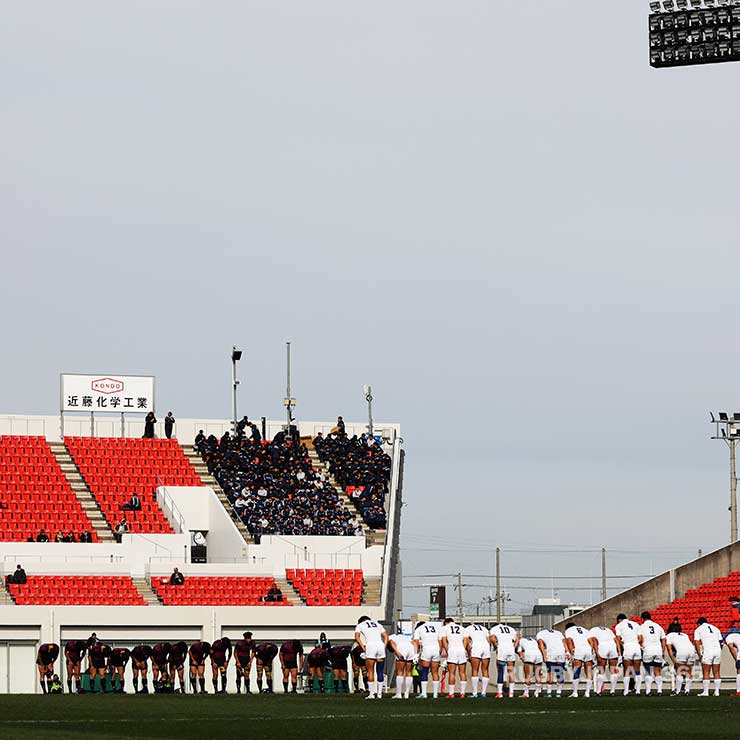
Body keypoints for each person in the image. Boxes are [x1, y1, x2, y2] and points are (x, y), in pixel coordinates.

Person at [355, 616, 388, 700]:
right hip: (380, 645)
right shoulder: (378, 624)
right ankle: (380, 694)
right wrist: (383, 646)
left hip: (370, 645)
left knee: (370, 671)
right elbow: (386, 636)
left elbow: (357, 637)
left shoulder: (360, 625)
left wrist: (363, 648)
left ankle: (372, 694)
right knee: (380, 671)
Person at [638, 611, 667, 696]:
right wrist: (662, 650)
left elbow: (640, 639)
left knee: (648, 671)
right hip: (658, 650)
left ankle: (648, 691)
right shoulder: (658, 626)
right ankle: (659, 691)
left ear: (642, 619)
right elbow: (664, 639)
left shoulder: (641, 627)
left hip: (648, 650)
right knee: (657, 671)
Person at [694, 616, 723, 697]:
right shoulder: (715, 628)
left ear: (699, 623)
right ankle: (717, 692)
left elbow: (696, 642)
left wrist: (699, 654)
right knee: (716, 672)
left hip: (708, 651)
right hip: (717, 650)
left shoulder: (698, 629)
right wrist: (719, 650)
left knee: (706, 671)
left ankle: (706, 692)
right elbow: (721, 642)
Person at [412, 619, 442, 699]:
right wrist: (440, 651)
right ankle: (435, 694)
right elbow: (440, 641)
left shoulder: (419, 629)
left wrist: (415, 654)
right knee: (435, 672)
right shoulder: (436, 628)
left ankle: (424, 693)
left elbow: (415, 641)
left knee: (424, 672)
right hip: (436, 650)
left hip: (426, 650)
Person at [615, 614, 643, 695]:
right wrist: (635, 643)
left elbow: (618, 640)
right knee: (637, 670)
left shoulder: (619, 625)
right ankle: (638, 691)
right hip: (637, 647)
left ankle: (626, 691)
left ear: (619, 620)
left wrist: (623, 645)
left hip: (628, 647)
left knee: (627, 670)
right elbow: (640, 638)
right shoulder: (636, 624)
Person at [440, 617, 468, 699]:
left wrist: (447, 650)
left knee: (452, 673)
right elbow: (466, 640)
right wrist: (464, 649)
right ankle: (462, 693)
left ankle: (451, 693)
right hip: (461, 649)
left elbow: (444, 640)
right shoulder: (462, 628)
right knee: (462, 672)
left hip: (452, 649)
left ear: (446, 623)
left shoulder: (444, 628)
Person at [535, 627, 568, 697]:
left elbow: (541, 644)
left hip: (551, 653)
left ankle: (549, 693)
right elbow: (564, 642)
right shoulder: (558, 632)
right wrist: (567, 652)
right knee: (560, 673)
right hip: (561, 652)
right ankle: (558, 693)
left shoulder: (540, 633)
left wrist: (544, 655)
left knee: (550, 673)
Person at [564, 623, 594, 698]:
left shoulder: (569, 630)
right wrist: (591, 650)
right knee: (589, 671)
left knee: (576, 670)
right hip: (588, 650)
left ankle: (575, 692)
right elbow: (591, 641)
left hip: (579, 650)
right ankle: (587, 693)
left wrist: (571, 652)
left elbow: (569, 641)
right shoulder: (585, 629)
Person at [489, 622, 519, 699]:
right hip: (510, 650)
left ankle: (500, 693)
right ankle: (511, 693)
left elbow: (492, 638)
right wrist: (513, 648)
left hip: (502, 649)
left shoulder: (494, 629)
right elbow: (517, 639)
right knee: (511, 671)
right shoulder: (511, 629)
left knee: (500, 671)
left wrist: (496, 647)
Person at [588, 625, 619, 696]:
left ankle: (598, 691)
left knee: (601, 670)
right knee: (613, 670)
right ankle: (612, 691)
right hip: (613, 647)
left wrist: (596, 653)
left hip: (603, 647)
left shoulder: (592, 630)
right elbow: (616, 641)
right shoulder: (608, 630)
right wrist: (619, 653)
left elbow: (594, 641)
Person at [666, 626, 696, 696]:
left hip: (682, 651)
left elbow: (669, 649)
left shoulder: (669, 635)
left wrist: (674, 661)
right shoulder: (685, 635)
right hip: (692, 650)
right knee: (689, 672)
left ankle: (678, 691)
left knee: (679, 672)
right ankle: (687, 690)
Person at [465, 622, 491, 698]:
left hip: (476, 647)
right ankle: (483, 693)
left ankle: (475, 693)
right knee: (485, 670)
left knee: (475, 670)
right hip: (486, 647)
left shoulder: (468, 629)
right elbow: (488, 641)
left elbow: (466, 642)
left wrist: (469, 654)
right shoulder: (484, 628)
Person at [387, 631, 414, 699]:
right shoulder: (406, 637)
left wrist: (397, 652)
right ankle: (407, 694)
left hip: (402, 648)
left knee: (399, 672)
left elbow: (391, 642)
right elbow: (413, 642)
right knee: (409, 672)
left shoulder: (390, 637)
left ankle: (398, 694)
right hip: (411, 648)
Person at [724, 631, 740, 696]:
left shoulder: (728, 638)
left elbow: (731, 647)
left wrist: (736, 659)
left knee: (739, 671)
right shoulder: (737, 636)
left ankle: (738, 691)